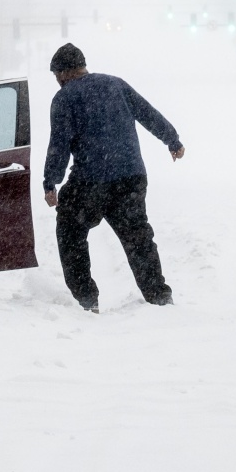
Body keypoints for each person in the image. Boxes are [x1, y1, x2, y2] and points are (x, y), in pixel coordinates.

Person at [41, 43, 185, 312]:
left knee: (70, 232)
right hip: (130, 177)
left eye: (56, 77)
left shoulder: (64, 99)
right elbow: (147, 113)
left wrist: (51, 182)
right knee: (138, 238)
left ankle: (86, 300)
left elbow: (59, 145)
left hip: (90, 182)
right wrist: (172, 139)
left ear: (62, 73)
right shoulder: (115, 84)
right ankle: (159, 297)